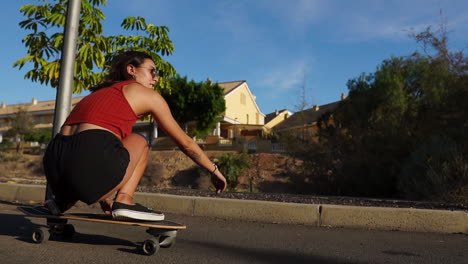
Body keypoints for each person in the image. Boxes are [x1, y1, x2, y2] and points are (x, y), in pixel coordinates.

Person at [43, 50, 227, 221]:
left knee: (114, 143)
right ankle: (124, 201)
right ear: (131, 70)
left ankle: (60, 202)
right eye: (152, 71)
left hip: (54, 167)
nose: (156, 79)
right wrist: (214, 170)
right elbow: (185, 143)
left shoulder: (98, 94)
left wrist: (102, 196)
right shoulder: (147, 95)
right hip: (88, 165)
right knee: (140, 141)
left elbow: (84, 147)